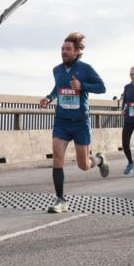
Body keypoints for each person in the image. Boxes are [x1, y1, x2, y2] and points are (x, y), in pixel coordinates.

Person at [38, 32, 109, 213]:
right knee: (57, 158)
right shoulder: (57, 70)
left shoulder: (86, 69)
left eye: (68, 49)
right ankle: (60, 200)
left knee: (83, 165)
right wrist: (49, 98)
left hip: (80, 123)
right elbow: (58, 88)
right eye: (62, 49)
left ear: (77, 51)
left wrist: (83, 86)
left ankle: (99, 159)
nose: (64, 52)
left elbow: (102, 88)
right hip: (61, 121)